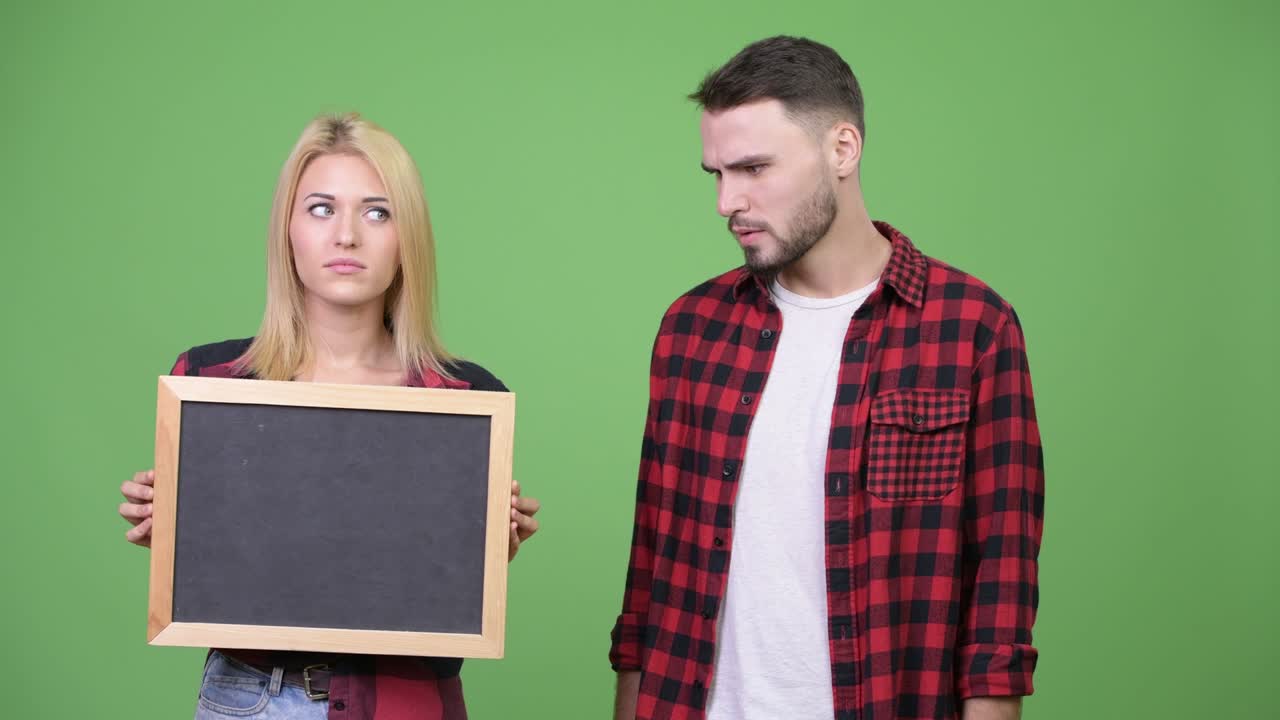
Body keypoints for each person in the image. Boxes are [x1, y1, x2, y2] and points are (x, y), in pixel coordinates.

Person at [610, 36, 1044, 720]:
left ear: (843, 149)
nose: (728, 201)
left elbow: (1000, 598)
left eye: (753, 168)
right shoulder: (691, 329)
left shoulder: (972, 328)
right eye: (716, 174)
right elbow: (650, 580)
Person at [118, 112, 541, 720]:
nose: (347, 236)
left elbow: (428, 580)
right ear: (287, 230)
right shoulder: (212, 384)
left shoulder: (465, 399)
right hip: (250, 696)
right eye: (321, 209)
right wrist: (177, 530)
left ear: (408, 237)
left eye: (377, 212)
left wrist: (486, 545)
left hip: (404, 699)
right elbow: (229, 563)